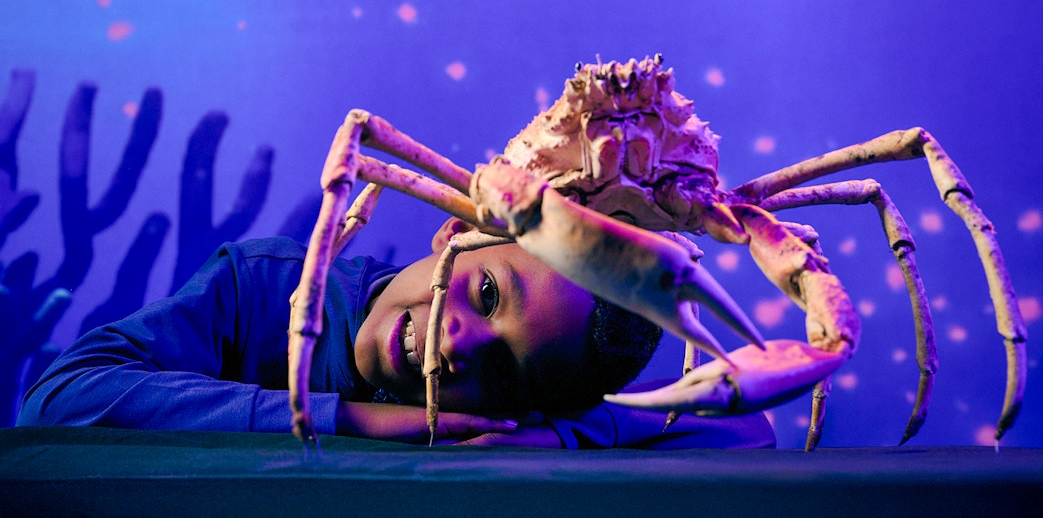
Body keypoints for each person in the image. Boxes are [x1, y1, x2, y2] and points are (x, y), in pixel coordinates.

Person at [17, 218, 774, 449]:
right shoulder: (262, 286)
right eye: (485, 292)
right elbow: (55, 402)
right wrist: (349, 418)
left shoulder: (532, 410)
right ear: (460, 233)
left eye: (503, 370)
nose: (456, 344)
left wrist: (555, 438)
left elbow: (749, 435)